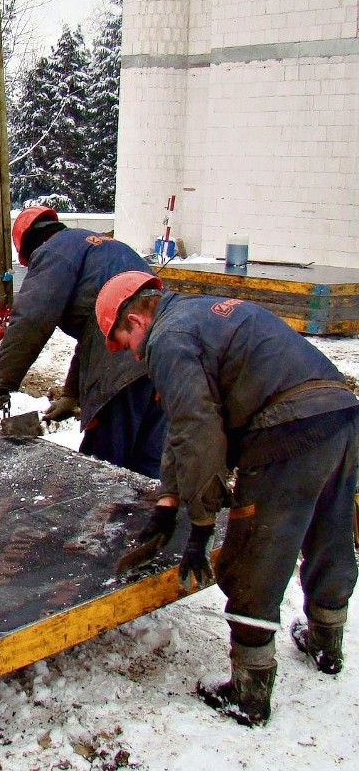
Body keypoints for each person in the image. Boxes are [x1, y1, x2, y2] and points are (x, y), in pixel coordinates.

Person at [95, 271, 358, 726]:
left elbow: (199, 433)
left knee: (255, 552)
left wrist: (200, 525)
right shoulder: (198, 314)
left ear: (136, 320)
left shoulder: (168, 341)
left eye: (124, 342)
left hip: (286, 430)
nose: (133, 356)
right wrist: (167, 503)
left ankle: (250, 691)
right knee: (330, 532)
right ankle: (325, 641)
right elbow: (183, 430)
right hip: (341, 414)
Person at [0, 207, 166, 476]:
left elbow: (31, 321)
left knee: (103, 467)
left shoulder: (52, 253)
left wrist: (0, 384)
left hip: (123, 365)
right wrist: (71, 395)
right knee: (148, 464)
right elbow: (92, 335)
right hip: (166, 356)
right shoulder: (102, 247)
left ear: (28, 250)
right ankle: (153, 517)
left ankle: (101, 518)